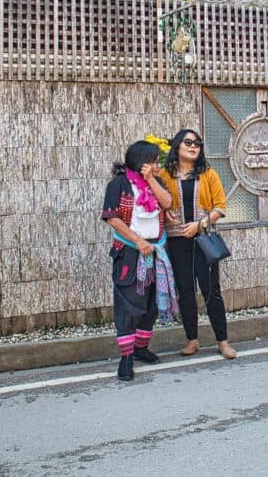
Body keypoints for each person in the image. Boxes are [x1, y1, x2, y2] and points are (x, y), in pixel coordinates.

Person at [101, 140, 177, 381]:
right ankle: (126, 357)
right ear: (142, 162)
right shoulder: (119, 185)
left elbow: (167, 203)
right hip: (132, 251)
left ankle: (141, 348)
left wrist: (152, 180)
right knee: (130, 302)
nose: (158, 165)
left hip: (157, 249)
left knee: (152, 301)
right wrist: (139, 241)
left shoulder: (157, 183)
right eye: (154, 161)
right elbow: (112, 218)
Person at [160, 129, 237, 360]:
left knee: (211, 291)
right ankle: (192, 340)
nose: (194, 146)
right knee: (185, 291)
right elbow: (158, 203)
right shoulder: (165, 174)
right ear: (177, 146)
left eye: (198, 143)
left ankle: (223, 341)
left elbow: (220, 207)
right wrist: (166, 213)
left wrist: (199, 224)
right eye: (188, 142)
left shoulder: (208, 174)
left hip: (204, 240)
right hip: (176, 241)